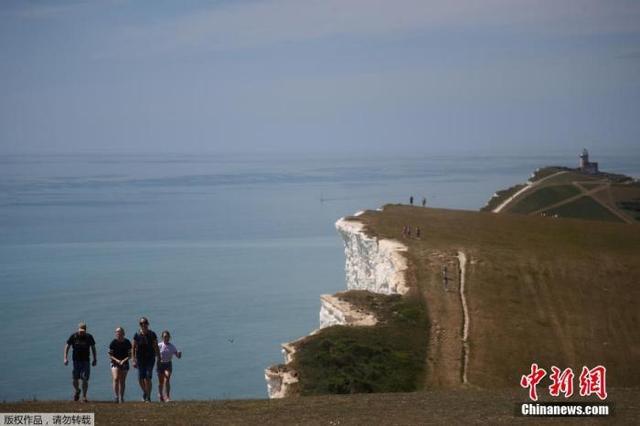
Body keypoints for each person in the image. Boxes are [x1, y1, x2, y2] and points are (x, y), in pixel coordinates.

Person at [63, 322, 97, 403]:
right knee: (75, 379)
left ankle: (84, 396)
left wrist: (95, 359)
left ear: (85, 330)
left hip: (86, 361)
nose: (81, 332)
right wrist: (65, 358)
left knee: (84, 379)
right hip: (76, 361)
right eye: (80, 330)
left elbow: (93, 348)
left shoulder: (89, 337)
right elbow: (67, 346)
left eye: (83, 331)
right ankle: (77, 390)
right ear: (78, 329)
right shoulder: (73, 336)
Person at [132, 317, 160, 402]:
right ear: (140, 325)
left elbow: (156, 346)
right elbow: (133, 347)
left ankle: (148, 397)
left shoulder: (152, 334)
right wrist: (133, 359)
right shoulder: (136, 335)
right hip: (140, 359)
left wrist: (159, 357)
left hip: (150, 358)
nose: (143, 325)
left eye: (145, 323)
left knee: (148, 377)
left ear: (148, 324)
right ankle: (145, 392)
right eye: (141, 323)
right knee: (140, 379)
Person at [157, 330, 182, 402]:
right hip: (160, 364)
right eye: (165, 337)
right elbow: (153, 352)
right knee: (160, 382)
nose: (166, 338)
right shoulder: (159, 345)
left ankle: (167, 396)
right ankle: (160, 395)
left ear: (169, 337)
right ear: (162, 337)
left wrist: (179, 353)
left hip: (168, 364)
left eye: (167, 337)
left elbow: (178, 356)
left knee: (167, 378)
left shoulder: (172, 346)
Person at [108, 326, 132, 403]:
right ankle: (116, 396)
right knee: (116, 378)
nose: (119, 334)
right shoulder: (113, 342)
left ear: (123, 333)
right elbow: (110, 355)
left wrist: (123, 360)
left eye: (120, 332)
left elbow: (130, 355)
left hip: (124, 363)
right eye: (117, 332)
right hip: (115, 362)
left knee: (122, 380)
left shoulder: (127, 342)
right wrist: (117, 360)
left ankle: (122, 397)